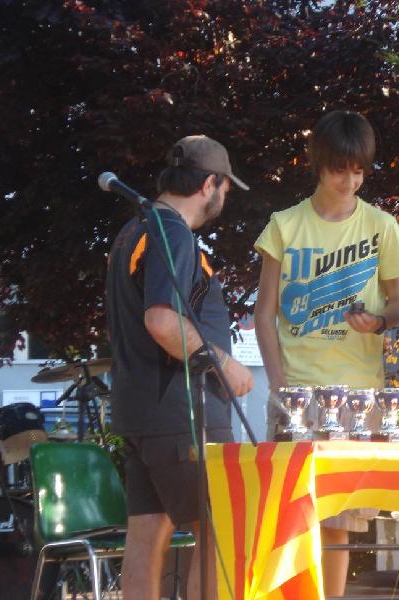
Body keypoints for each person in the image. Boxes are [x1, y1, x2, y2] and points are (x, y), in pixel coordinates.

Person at [254, 110, 399, 596]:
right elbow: (264, 312)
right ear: (318, 165)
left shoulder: (383, 226)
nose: (351, 180)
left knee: (339, 523)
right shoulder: (284, 225)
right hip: (297, 389)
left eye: (360, 170)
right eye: (341, 169)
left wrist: (381, 320)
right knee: (287, 520)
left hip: (358, 395)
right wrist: (279, 382)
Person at [106, 135, 255, 600]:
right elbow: (162, 320)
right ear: (209, 183)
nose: (224, 198)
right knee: (219, 530)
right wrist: (226, 365)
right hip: (181, 416)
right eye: (226, 188)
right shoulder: (172, 231)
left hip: (142, 413)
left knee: (147, 535)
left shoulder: (136, 231)